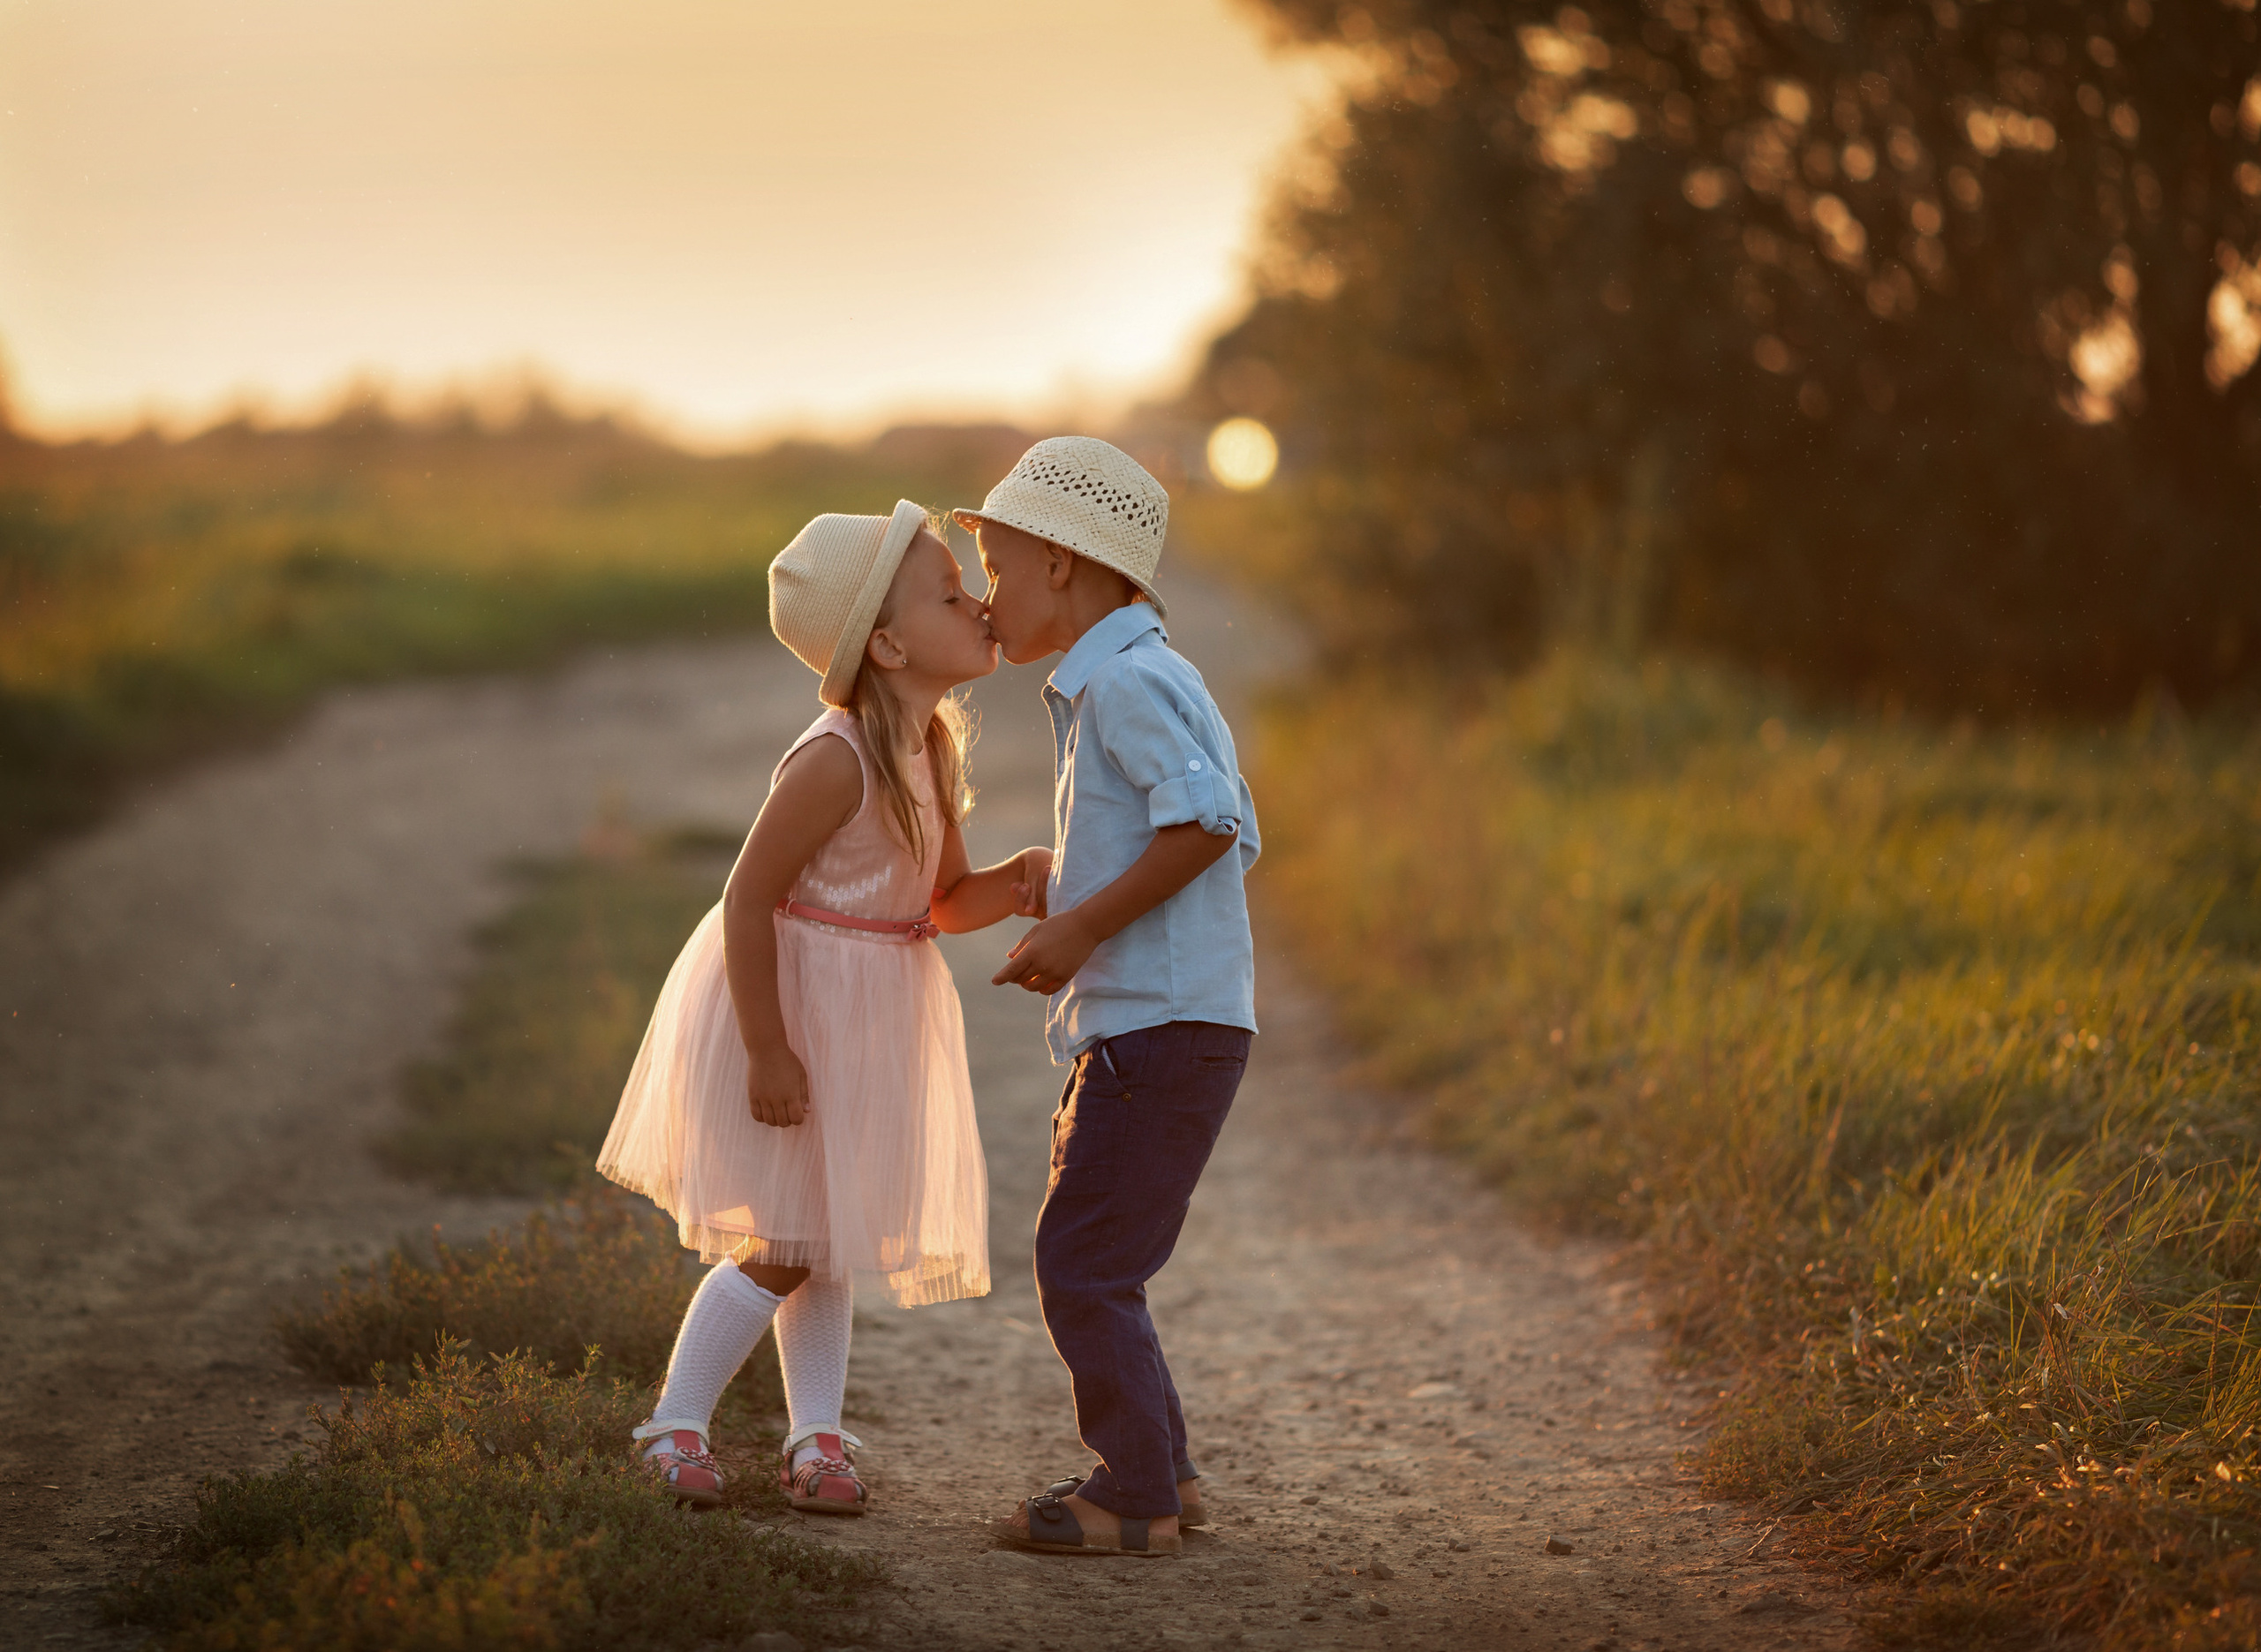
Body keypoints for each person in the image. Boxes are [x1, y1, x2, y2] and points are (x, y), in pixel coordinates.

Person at [595, 500, 1051, 1515]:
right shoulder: (834, 756)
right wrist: (766, 1046)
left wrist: (1022, 877)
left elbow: (940, 899)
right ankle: (672, 1419)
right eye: (949, 592)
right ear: (886, 644)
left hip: (874, 1006)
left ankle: (815, 1433)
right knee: (787, 1241)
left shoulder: (930, 744)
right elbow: (746, 897)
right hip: (796, 1009)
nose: (977, 600)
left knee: (826, 1231)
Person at [957, 438, 1260, 1558]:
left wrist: (1083, 922)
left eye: (994, 567)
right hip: (1167, 1024)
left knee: (1082, 1262)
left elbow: (1209, 826)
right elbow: (1221, 827)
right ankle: (1164, 1473)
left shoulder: (1128, 681)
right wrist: (1069, 878)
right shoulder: (1140, 677)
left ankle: (1132, 1494)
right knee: (1101, 1256)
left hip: (1160, 1025)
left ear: (1062, 567)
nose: (987, 599)